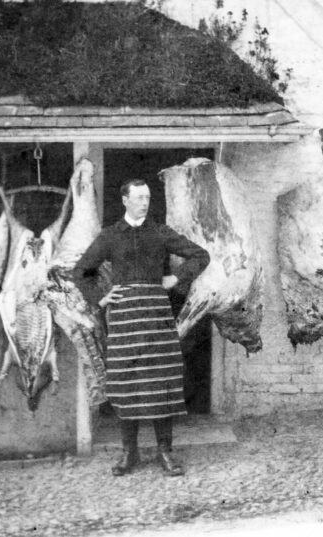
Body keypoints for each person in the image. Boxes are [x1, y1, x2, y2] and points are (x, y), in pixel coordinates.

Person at [73, 179, 210, 477]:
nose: (144, 203)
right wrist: (100, 296)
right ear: (125, 200)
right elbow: (80, 271)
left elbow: (200, 255)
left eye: (147, 197)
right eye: (138, 198)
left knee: (162, 382)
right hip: (124, 318)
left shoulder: (159, 232)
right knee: (126, 382)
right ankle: (128, 453)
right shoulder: (110, 236)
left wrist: (176, 279)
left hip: (157, 317)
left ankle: (165, 452)